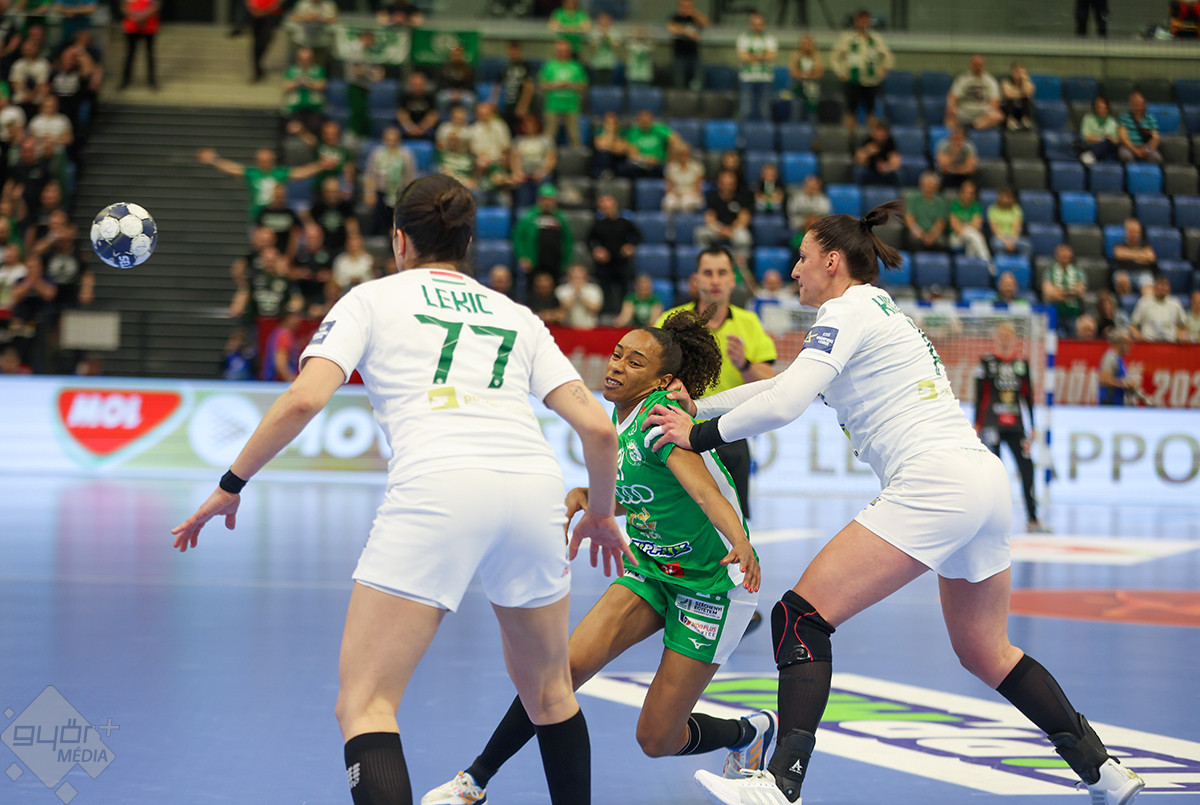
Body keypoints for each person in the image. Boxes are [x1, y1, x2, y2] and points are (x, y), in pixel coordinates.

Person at [643, 201, 1146, 805]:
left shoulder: (844, 310)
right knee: (986, 651)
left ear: (833, 261)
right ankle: (1103, 771)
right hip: (982, 481)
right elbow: (780, 385)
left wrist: (695, 435)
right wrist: (702, 405)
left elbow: (785, 406)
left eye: (803, 258)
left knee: (800, 618)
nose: (795, 270)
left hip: (933, 482)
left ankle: (780, 784)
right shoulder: (878, 309)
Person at [172, 174, 629, 805]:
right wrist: (601, 513)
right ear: (467, 242)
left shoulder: (370, 300)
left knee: (366, 704)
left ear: (399, 240)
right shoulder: (516, 315)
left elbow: (304, 399)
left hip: (440, 486)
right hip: (533, 490)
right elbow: (599, 428)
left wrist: (231, 483)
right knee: (550, 694)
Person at [423, 307, 768, 805]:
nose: (617, 366)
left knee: (657, 739)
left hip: (711, 585)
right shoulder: (621, 415)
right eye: (617, 355)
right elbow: (646, 492)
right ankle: (475, 780)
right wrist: (591, 498)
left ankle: (749, 733)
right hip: (652, 570)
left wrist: (741, 541)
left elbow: (703, 492)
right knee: (557, 674)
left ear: (662, 381)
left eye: (635, 362)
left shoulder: (659, 419)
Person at [655, 246, 775, 527]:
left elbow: (770, 381)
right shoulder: (671, 322)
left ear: (733, 280)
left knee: (733, 525)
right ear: (696, 280)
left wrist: (744, 363)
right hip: (678, 436)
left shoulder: (748, 323)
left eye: (722, 273)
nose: (715, 280)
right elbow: (651, 375)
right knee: (677, 523)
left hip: (729, 434)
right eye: (708, 273)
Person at [974, 322, 1047, 533]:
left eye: (1009, 336)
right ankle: (990, 520)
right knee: (993, 472)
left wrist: (1032, 425)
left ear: (1015, 339)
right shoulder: (986, 362)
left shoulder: (1021, 364)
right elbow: (980, 395)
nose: (1005, 340)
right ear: (996, 339)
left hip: (1016, 424)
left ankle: (1033, 519)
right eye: (1002, 336)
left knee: (1027, 467)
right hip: (991, 424)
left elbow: (1028, 396)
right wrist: (977, 424)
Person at [196, 145, 332, 223]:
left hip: (276, 214)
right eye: (261, 160)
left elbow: (301, 172)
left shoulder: (279, 173)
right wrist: (214, 160)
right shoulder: (253, 173)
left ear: (272, 160)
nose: (263, 162)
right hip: (258, 215)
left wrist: (320, 165)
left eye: (266, 160)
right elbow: (233, 169)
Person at [830, 9, 892, 136]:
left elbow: (887, 56)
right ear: (856, 21)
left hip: (871, 81)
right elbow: (835, 56)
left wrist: (884, 69)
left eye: (866, 20)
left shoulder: (875, 39)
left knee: (871, 111)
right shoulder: (847, 38)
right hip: (852, 80)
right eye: (861, 20)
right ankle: (851, 139)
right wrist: (840, 72)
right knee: (850, 112)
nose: (864, 23)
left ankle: (873, 138)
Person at [589, 192, 642, 315]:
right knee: (605, 291)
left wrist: (630, 246)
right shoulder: (598, 225)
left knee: (624, 291)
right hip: (604, 265)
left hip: (622, 263)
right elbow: (589, 241)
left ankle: (624, 315)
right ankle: (605, 315)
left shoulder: (624, 223)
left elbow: (638, 236)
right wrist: (597, 250)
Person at [696, 170, 754, 269]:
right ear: (719, 184)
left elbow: (744, 217)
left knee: (744, 238)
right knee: (701, 233)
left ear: (735, 185)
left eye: (730, 184)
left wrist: (732, 229)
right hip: (717, 229)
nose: (727, 186)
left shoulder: (742, 197)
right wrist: (720, 229)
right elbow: (710, 217)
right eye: (724, 183)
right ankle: (705, 265)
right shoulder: (712, 196)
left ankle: (741, 268)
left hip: (734, 229)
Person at [514, 183, 573, 281]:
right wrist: (523, 257)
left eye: (550, 200)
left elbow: (568, 240)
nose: (547, 203)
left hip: (555, 263)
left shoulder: (561, 218)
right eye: (544, 199)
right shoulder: (529, 217)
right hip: (534, 262)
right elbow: (518, 238)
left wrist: (566, 260)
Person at [539, 38, 587, 148]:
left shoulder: (576, 66)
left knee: (574, 137)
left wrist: (570, 85)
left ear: (569, 52)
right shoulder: (549, 66)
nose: (563, 53)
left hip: (572, 106)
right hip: (552, 105)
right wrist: (555, 85)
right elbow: (542, 85)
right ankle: (547, 157)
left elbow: (583, 86)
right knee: (549, 136)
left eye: (565, 51)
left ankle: (576, 156)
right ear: (556, 51)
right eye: (560, 51)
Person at [736, 12, 777, 123]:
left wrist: (752, 56)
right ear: (751, 25)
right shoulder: (743, 38)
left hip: (765, 78)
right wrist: (762, 56)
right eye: (755, 24)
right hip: (747, 78)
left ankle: (765, 131)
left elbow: (771, 55)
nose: (757, 27)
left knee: (765, 110)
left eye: (759, 24)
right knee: (745, 109)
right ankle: (744, 131)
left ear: (764, 25)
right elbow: (743, 57)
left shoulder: (770, 39)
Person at [946, 54, 1004, 130]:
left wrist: (989, 112)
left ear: (984, 66)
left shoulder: (990, 81)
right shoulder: (963, 79)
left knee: (999, 117)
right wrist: (952, 108)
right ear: (971, 65)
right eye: (975, 65)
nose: (978, 67)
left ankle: (973, 126)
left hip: (983, 112)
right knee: (950, 117)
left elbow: (995, 101)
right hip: (965, 111)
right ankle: (968, 129)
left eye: (980, 65)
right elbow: (953, 97)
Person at [1041, 243, 1086, 335]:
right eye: (1062, 251)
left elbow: (1080, 291)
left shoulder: (1078, 272)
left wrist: (1058, 292)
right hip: (1054, 314)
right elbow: (1048, 294)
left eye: (1067, 251)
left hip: (1073, 315)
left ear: (1071, 254)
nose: (1064, 254)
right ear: (1057, 254)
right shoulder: (1049, 271)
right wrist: (1070, 293)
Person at [1130, 274, 1187, 342]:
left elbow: (1184, 326)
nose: (1163, 287)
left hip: (1170, 344)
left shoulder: (1175, 304)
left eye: (1166, 285)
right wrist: (1140, 338)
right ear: (1154, 287)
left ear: (1169, 288)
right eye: (1160, 284)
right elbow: (1133, 325)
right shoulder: (1144, 302)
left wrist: (1183, 336)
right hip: (1149, 343)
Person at [667, 0, 707, 90]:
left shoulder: (694, 19)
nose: (686, 9)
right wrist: (689, 32)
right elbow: (672, 29)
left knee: (698, 79)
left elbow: (706, 23)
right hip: (679, 55)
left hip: (693, 54)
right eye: (684, 6)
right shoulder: (676, 18)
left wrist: (694, 14)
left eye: (688, 6)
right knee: (679, 80)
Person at [904, 171, 949, 252]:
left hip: (934, 233)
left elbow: (940, 222)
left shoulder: (941, 201)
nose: (929, 187)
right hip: (917, 233)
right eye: (927, 184)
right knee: (913, 241)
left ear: (936, 187)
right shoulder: (912, 198)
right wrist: (921, 235)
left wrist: (932, 236)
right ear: (921, 185)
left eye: (932, 185)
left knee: (942, 243)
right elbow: (910, 219)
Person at [120, 0, 159, 91]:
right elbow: (123, 6)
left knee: (149, 55)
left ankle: (152, 81)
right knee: (130, 54)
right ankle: (125, 80)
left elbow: (155, 6)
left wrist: (141, 17)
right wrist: (134, 17)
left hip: (149, 27)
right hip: (131, 27)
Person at [947, 179, 990, 261]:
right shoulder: (954, 205)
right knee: (975, 236)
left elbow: (976, 225)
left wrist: (963, 225)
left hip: (970, 236)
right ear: (961, 193)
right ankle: (987, 262)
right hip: (956, 238)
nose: (968, 195)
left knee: (972, 238)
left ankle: (970, 264)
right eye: (965, 192)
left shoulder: (976, 206)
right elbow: (955, 227)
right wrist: (968, 226)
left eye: (971, 193)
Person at [1111, 218, 1157, 292]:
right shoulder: (1119, 245)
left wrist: (1129, 254)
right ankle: (1125, 299)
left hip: (1143, 273)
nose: (1135, 234)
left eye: (1137, 232)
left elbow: (1151, 257)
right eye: (1132, 232)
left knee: (1148, 287)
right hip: (1124, 272)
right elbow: (1119, 254)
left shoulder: (1145, 245)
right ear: (1126, 232)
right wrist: (1140, 255)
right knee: (1122, 280)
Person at [785, 34, 823, 123]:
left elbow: (819, 73)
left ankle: (811, 127)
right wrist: (807, 75)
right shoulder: (795, 55)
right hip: (798, 84)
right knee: (796, 106)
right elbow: (793, 73)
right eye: (805, 43)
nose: (807, 46)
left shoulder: (817, 55)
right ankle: (795, 126)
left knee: (812, 109)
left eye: (809, 43)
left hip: (812, 86)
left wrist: (805, 75)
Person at [987, 187, 1032, 259]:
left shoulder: (1016, 209)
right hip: (999, 238)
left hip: (1014, 237)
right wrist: (1006, 242)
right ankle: (1000, 264)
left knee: (1027, 245)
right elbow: (995, 230)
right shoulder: (992, 210)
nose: (1005, 200)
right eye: (1003, 197)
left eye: (1008, 197)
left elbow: (1017, 228)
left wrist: (1012, 241)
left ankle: (1022, 263)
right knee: (997, 245)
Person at [852, 119, 901, 187]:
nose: (880, 134)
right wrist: (867, 152)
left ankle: (899, 192)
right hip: (869, 170)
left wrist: (886, 167)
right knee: (858, 171)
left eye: (883, 132)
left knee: (898, 173)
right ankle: (856, 191)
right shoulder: (867, 140)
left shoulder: (890, 142)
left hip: (885, 171)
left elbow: (896, 162)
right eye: (878, 131)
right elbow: (858, 160)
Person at [555, 264, 604, 329]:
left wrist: (581, 295)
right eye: (574, 277)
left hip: (590, 327)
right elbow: (562, 309)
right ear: (569, 277)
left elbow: (595, 309)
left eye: (579, 278)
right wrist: (574, 294)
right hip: (567, 327)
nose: (577, 281)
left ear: (585, 277)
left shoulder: (594, 289)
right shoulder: (561, 289)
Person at [1117, 92, 1162, 163]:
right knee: (1126, 156)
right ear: (1131, 105)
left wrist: (1147, 150)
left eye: (1140, 104)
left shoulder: (1150, 118)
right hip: (1129, 147)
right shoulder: (1124, 117)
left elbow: (1155, 137)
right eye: (1135, 104)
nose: (1138, 107)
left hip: (1146, 147)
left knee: (1156, 157)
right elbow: (1122, 137)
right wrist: (1134, 149)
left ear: (1144, 104)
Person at [662, 140, 705, 215]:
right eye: (680, 154)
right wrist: (677, 194)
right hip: (676, 194)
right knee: (669, 202)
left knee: (686, 203)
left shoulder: (697, 167)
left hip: (692, 194)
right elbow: (669, 188)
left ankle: (687, 221)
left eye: (685, 154)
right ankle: (669, 222)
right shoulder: (670, 167)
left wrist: (685, 194)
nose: (683, 156)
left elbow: (698, 189)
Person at [934, 123, 977, 189]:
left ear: (964, 137)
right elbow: (944, 166)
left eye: (960, 136)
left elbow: (970, 168)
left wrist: (956, 170)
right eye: (955, 135)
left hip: (963, 175)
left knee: (971, 179)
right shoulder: (943, 145)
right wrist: (955, 151)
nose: (957, 138)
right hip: (946, 175)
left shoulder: (969, 146)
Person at [1098, 328, 1135, 405]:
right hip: (1109, 403)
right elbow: (1104, 379)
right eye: (1127, 342)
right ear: (1118, 343)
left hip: (1116, 402)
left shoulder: (1119, 359)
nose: (1129, 346)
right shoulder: (1111, 358)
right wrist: (1124, 384)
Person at [1079, 96, 1119, 165]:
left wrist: (1106, 140)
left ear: (1107, 109)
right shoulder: (1088, 118)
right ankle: (1092, 155)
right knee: (1104, 142)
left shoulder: (1112, 122)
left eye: (1103, 108)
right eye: (1099, 107)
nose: (1101, 110)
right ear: (1095, 107)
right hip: (1091, 146)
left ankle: (1091, 156)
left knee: (1107, 143)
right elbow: (1086, 137)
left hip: (1108, 149)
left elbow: (1116, 141)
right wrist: (1102, 139)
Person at [586, 12, 621, 86]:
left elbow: (616, 45)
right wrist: (601, 38)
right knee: (598, 83)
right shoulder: (594, 32)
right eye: (602, 20)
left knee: (609, 83)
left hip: (610, 63)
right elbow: (592, 45)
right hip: (597, 62)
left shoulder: (615, 32)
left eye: (606, 20)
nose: (604, 22)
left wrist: (607, 38)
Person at [999, 62, 1034, 131]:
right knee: (1009, 101)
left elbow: (1028, 93)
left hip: (1022, 110)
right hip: (1010, 110)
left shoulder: (1027, 82)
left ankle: (1025, 120)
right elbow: (1008, 95)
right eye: (1017, 72)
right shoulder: (1006, 82)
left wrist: (1024, 80)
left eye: (1022, 72)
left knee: (1026, 100)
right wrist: (1021, 94)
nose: (1019, 74)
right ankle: (1011, 122)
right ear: (1013, 72)